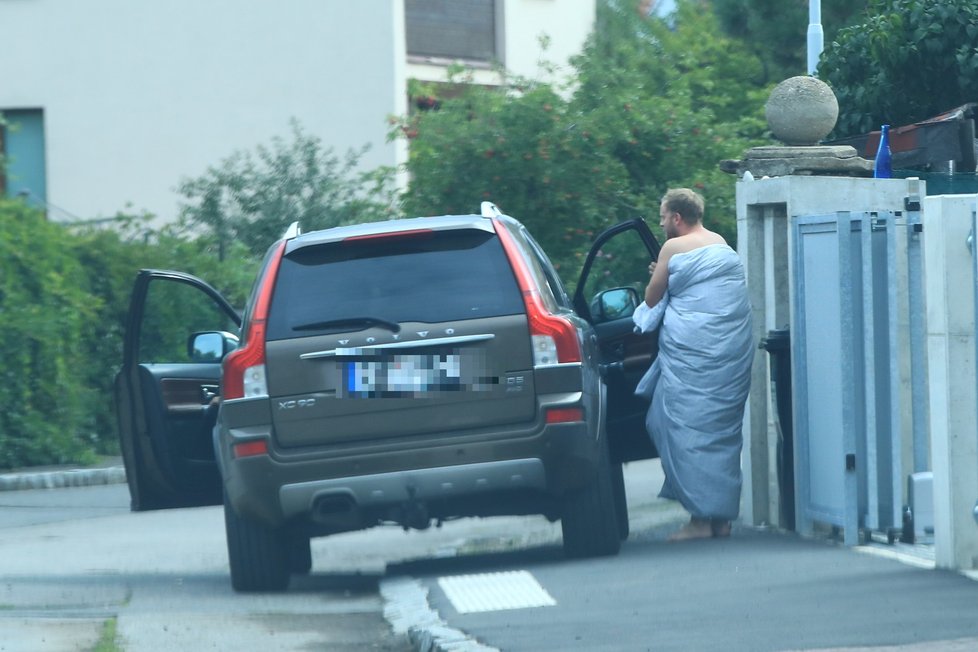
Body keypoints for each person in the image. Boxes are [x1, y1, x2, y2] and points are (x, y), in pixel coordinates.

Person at [633, 188, 753, 541]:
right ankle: (721, 520)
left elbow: (652, 297)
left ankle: (702, 520)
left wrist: (660, 272)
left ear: (676, 218)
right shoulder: (721, 243)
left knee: (684, 431)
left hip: (692, 355)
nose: (660, 223)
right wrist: (668, 274)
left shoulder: (672, 247)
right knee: (721, 434)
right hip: (730, 354)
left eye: (662, 217)